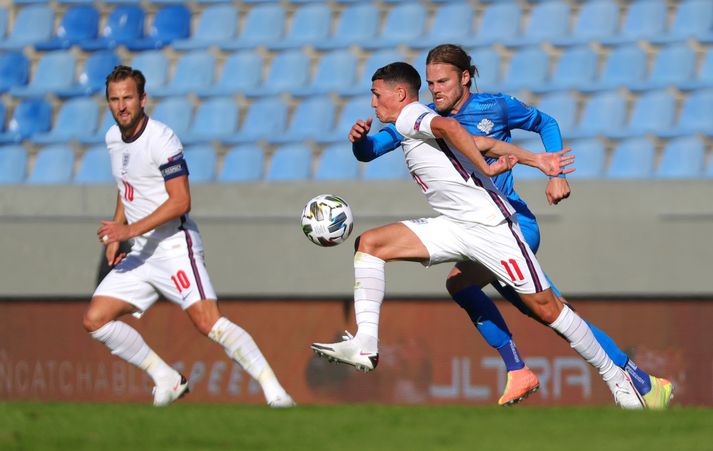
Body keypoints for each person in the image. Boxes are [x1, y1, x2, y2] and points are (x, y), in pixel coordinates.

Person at [345, 44, 673, 409]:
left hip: (511, 223)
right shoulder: (421, 118)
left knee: (543, 308)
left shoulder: (493, 106)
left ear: (464, 78)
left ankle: (615, 380)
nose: (436, 89)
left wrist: (556, 173)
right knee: (528, 305)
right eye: (432, 82)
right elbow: (373, 149)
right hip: (468, 229)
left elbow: (545, 123)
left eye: (443, 81)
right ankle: (632, 381)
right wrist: (360, 142)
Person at [82, 66, 295, 408]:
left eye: (128, 98)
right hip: (141, 251)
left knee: (209, 322)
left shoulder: (162, 138)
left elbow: (181, 201)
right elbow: (127, 186)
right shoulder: (112, 139)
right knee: (95, 319)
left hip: (174, 246)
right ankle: (165, 377)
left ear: (143, 99)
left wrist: (128, 230)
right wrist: (116, 236)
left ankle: (276, 394)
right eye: (114, 99)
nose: (121, 106)